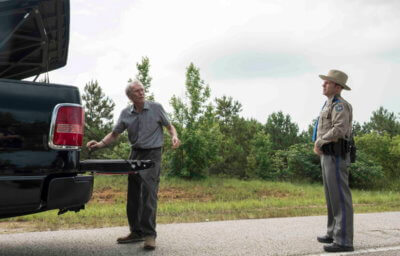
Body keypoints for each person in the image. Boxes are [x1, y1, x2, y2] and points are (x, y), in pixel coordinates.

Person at [87, 80, 180, 250]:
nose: (141, 93)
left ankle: (149, 235)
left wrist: (174, 136)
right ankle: (136, 232)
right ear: (130, 96)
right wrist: (99, 144)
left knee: (148, 194)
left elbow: (169, 126)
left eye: (142, 90)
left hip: (153, 154)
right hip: (135, 153)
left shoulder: (156, 108)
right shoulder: (125, 113)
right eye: (137, 91)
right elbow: (115, 134)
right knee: (134, 194)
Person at [312, 70, 354, 253]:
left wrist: (320, 141)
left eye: (327, 83)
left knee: (340, 198)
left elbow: (339, 129)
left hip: (336, 156)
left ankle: (344, 240)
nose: (323, 85)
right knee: (331, 197)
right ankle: (333, 233)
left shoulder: (340, 106)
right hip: (327, 155)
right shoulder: (328, 104)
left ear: (337, 87)